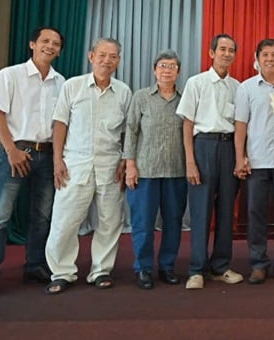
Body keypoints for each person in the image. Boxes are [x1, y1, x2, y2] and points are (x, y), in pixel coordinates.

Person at [0, 27, 65, 300]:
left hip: (47, 155)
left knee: (42, 216)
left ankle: (35, 265)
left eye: (56, 43)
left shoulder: (62, 82)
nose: (50, 46)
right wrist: (11, 149)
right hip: (16, 152)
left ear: (60, 50)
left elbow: (61, 124)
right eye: (45, 41)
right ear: (32, 44)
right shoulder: (9, 75)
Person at [45, 38, 132, 294]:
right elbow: (60, 123)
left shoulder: (124, 91)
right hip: (75, 164)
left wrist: (125, 160)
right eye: (102, 55)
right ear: (91, 56)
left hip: (110, 165)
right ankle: (62, 272)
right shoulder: (73, 86)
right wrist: (57, 159)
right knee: (64, 220)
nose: (107, 60)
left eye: (113, 56)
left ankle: (101, 269)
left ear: (118, 60)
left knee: (110, 221)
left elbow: (128, 131)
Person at [176, 33, 243, 290]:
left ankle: (221, 266)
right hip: (203, 147)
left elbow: (240, 126)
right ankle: (196, 269)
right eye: (222, 49)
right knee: (201, 210)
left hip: (229, 149)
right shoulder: (197, 83)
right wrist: (190, 161)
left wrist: (240, 158)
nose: (227, 54)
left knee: (227, 210)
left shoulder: (239, 87)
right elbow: (187, 123)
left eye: (231, 50)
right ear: (211, 53)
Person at [234, 39, 274, 284]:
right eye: (265, 55)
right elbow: (240, 125)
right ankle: (258, 263)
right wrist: (240, 158)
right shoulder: (246, 88)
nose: (270, 59)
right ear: (257, 58)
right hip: (256, 161)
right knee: (255, 213)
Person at [123, 50, 186, 290]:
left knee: (173, 222)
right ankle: (143, 268)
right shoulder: (141, 97)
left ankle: (167, 266)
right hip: (145, 171)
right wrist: (130, 164)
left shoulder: (185, 99)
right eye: (162, 66)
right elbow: (131, 131)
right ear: (154, 70)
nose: (166, 70)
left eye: (171, 66)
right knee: (143, 223)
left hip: (176, 172)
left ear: (178, 71)